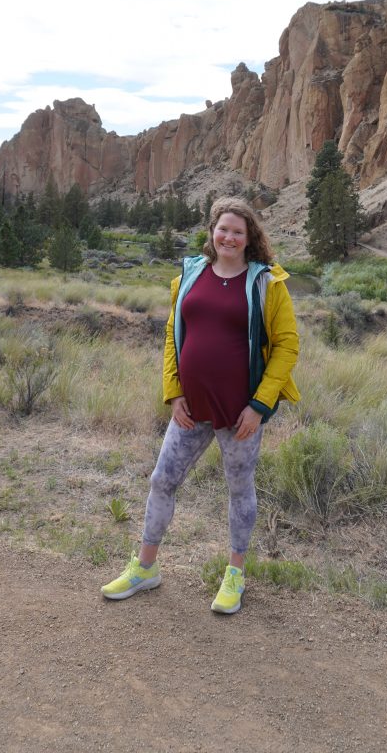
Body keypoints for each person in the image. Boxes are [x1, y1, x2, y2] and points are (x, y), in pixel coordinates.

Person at [101, 196, 300, 614]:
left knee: (238, 489)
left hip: (239, 412)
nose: (229, 237)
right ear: (212, 231)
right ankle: (145, 567)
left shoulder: (267, 284)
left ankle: (235, 575)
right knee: (162, 479)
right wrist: (173, 393)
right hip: (190, 409)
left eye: (238, 231)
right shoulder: (191, 274)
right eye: (223, 228)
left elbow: (286, 346)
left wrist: (260, 406)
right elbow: (174, 334)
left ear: (250, 239)